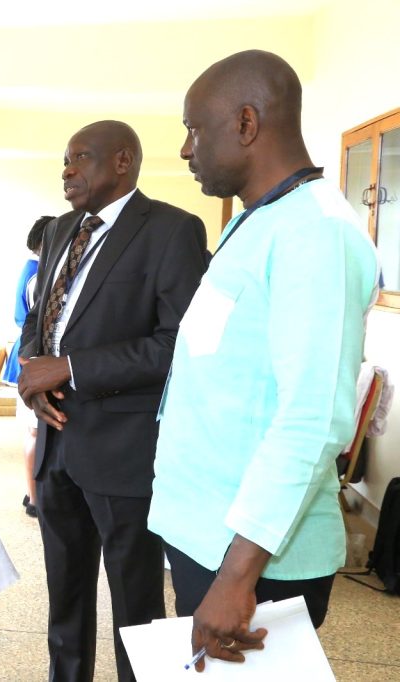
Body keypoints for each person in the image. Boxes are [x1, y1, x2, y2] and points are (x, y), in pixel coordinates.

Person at [148, 49, 380, 672]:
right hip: (208, 533)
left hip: (252, 556)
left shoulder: (318, 234)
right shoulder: (259, 222)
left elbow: (312, 419)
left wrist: (237, 575)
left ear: (246, 124)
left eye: (195, 129)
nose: (185, 149)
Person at [18, 120, 208, 682]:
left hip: (125, 450)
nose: (67, 170)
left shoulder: (172, 231)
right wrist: (35, 376)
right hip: (56, 442)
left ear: (123, 161)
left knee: (136, 606)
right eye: (65, 159)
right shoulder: (57, 230)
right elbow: (41, 319)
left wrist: (72, 368)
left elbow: (179, 343)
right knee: (65, 597)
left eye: (80, 158)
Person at [1, 215, 53, 517]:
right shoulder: (37, 274)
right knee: (35, 431)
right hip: (31, 357)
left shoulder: (36, 269)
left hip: (31, 355)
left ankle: (36, 492)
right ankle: (35, 500)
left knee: (38, 430)